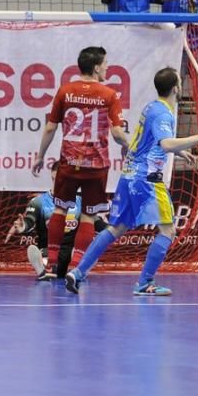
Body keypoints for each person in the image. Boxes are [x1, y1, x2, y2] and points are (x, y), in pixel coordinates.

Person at [65, 67, 198, 296]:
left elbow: (151, 142)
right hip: (147, 180)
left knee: (115, 228)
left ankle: (77, 273)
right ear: (176, 88)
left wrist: (180, 151)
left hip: (129, 176)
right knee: (167, 230)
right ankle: (145, 284)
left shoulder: (151, 107)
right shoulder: (164, 114)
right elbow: (165, 144)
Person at [31, 46, 130, 272]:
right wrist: (128, 146)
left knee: (60, 210)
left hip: (69, 163)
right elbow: (116, 133)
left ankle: (52, 264)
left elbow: (50, 127)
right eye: (105, 64)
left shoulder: (65, 91)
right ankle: (76, 268)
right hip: (96, 166)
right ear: (96, 68)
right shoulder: (109, 95)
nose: (107, 68)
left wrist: (40, 156)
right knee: (88, 215)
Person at [23, 162, 108, 280]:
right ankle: (43, 271)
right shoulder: (38, 202)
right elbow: (28, 222)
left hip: (72, 254)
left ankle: (77, 271)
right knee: (33, 250)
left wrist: (114, 230)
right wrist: (22, 226)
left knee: (90, 249)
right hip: (48, 251)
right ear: (53, 177)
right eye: (57, 179)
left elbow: (97, 223)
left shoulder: (81, 201)